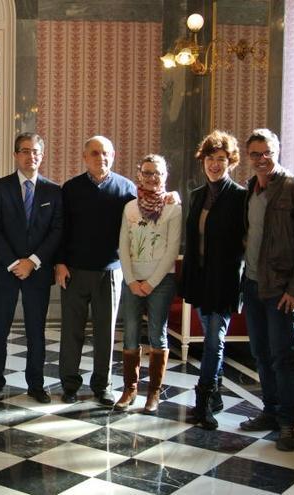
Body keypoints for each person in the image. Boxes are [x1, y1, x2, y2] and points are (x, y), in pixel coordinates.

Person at [239, 128, 294, 451]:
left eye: (267, 153)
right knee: (260, 353)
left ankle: (289, 422)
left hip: (283, 291)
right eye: (255, 154)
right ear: (248, 157)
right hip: (255, 285)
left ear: (277, 152)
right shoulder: (251, 189)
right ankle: (271, 411)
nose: (262, 160)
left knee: (283, 357)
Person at [56, 136, 137, 406]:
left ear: (113, 155)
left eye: (105, 153)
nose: (100, 158)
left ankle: (103, 385)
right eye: (94, 153)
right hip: (74, 270)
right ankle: (69, 383)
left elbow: (140, 224)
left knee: (106, 332)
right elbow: (60, 230)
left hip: (111, 271)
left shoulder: (127, 189)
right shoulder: (70, 189)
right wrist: (60, 262)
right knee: (71, 331)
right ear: (84, 156)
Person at [0, 133, 63, 403]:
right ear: (16, 155)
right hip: (6, 271)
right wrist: (14, 262)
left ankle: (36, 384)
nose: (31, 156)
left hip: (38, 271)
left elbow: (56, 230)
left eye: (36, 152)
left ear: (42, 155)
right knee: (0, 329)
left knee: (36, 330)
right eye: (26, 151)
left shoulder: (54, 191)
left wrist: (33, 262)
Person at [180, 130, 246, 430]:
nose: (215, 165)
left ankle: (204, 400)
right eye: (210, 158)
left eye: (221, 159)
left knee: (213, 342)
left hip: (224, 280)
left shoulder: (240, 197)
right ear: (202, 161)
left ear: (230, 162)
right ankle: (215, 393)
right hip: (199, 279)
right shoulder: (196, 196)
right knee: (210, 338)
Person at [114, 155, 181, 413]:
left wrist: (151, 283)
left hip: (161, 282)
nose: (153, 178)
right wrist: (131, 280)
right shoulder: (130, 208)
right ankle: (130, 389)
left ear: (165, 176)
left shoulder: (173, 207)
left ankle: (153, 392)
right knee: (130, 333)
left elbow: (172, 249)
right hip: (132, 281)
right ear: (139, 175)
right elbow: (123, 245)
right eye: (148, 173)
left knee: (157, 334)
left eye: (158, 173)